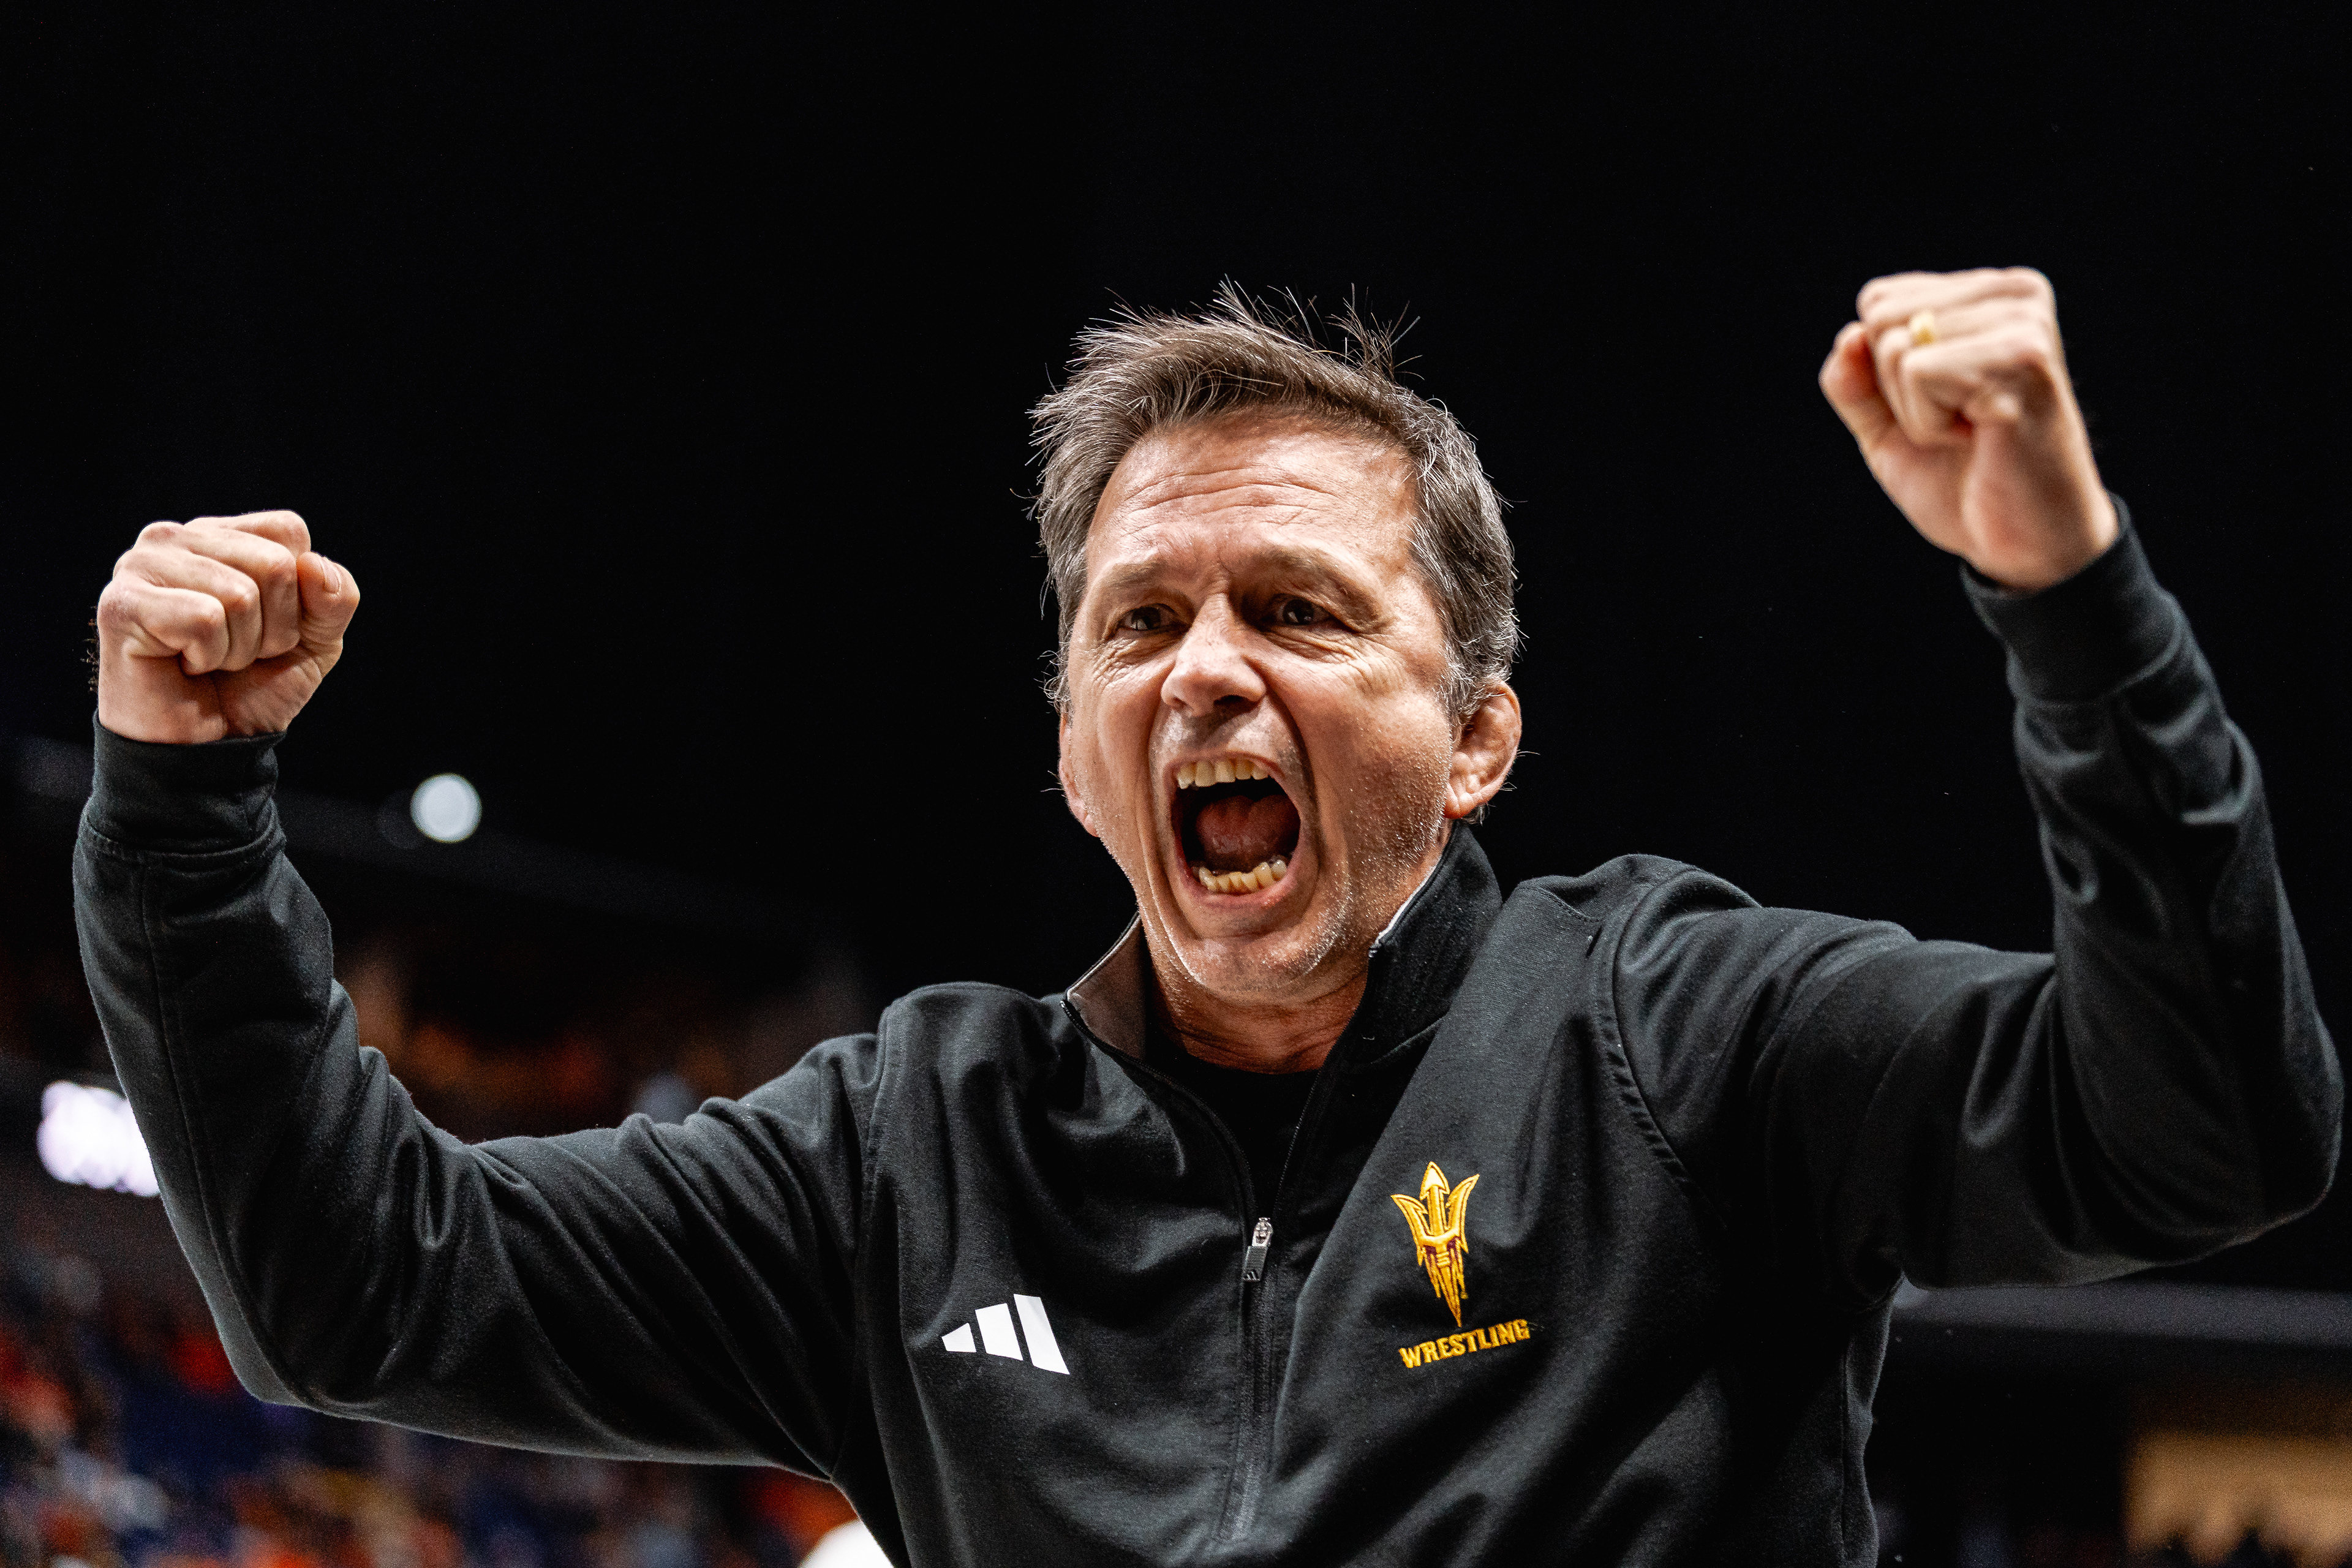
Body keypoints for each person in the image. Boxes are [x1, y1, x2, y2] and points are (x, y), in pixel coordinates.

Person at [74, 269, 2339, 1566]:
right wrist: (180, 804)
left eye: (1297, 608)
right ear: (1072, 749)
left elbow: (2204, 1131)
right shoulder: (905, 1155)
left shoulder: (1676, 1031)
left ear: (1478, 742)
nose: (1209, 669)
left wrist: (2071, 601)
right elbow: (350, 1288)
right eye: (1138, 622)